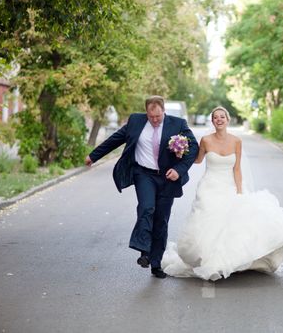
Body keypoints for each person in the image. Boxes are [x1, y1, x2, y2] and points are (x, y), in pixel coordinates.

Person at [162, 106, 283, 281]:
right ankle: (208, 259)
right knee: (209, 222)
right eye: (215, 117)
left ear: (227, 120)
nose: (219, 120)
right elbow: (197, 161)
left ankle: (228, 261)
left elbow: (236, 169)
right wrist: (180, 151)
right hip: (209, 187)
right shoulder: (205, 140)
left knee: (230, 223)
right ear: (212, 121)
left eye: (222, 117)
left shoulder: (236, 141)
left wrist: (239, 191)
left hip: (228, 186)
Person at [85, 96, 198, 279]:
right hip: (143, 174)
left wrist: (178, 170)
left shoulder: (177, 124)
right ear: (146, 112)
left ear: (164, 111)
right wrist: (94, 156)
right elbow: (116, 139)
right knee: (146, 208)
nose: (154, 120)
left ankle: (156, 263)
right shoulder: (136, 121)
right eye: (151, 116)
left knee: (161, 220)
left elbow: (193, 147)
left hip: (167, 177)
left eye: (158, 117)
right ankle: (144, 251)